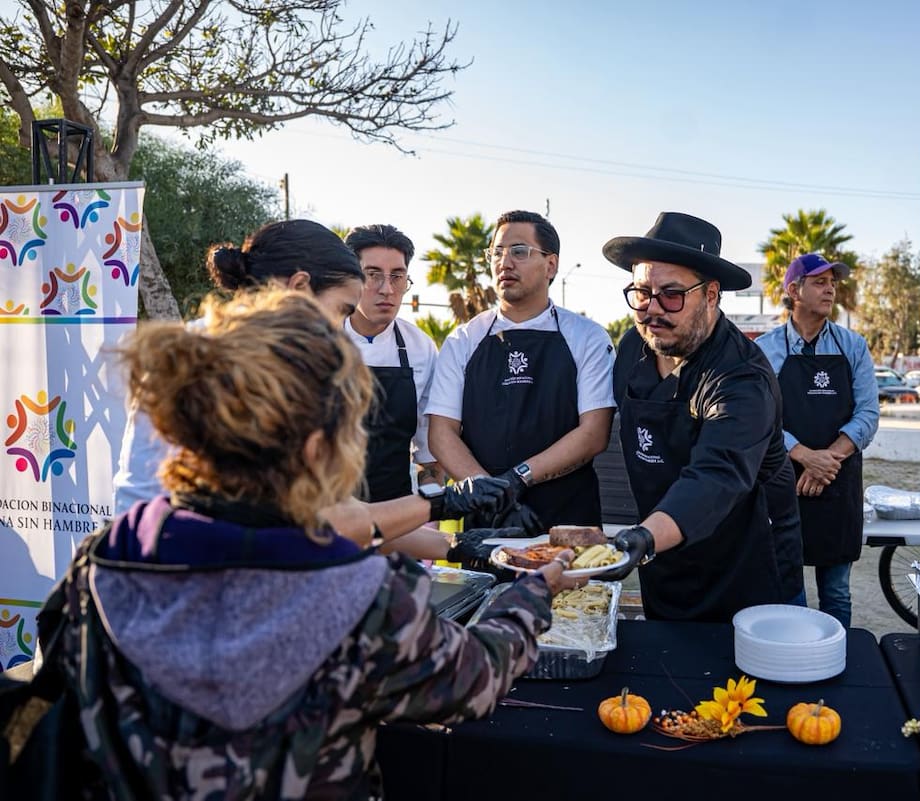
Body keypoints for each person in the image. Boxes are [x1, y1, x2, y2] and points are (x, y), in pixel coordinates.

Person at [42, 288, 579, 797]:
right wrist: (531, 594)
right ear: (317, 447)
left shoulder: (105, 556)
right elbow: (474, 678)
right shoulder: (358, 596)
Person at [594, 211, 805, 622]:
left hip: (747, 573)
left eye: (671, 295)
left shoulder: (742, 376)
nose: (652, 309)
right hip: (663, 561)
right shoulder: (632, 348)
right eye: (641, 293)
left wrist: (643, 537)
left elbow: (716, 476)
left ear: (710, 295)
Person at [113, 219, 366, 514]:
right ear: (299, 287)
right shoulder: (221, 360)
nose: (339, 330)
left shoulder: (188, 347)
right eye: (340, 311)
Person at [427, 210, 615, 531]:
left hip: (569, 520)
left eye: (519, 251)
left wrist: (519, 477)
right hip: (487, 522)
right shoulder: (463, 340)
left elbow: (594, 433)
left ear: (551, 265)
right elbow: (441, 433)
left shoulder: (587, 337)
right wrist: (491, 495)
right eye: (496, 252)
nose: (504, 263)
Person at [755, 253, 879, 628]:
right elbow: (758, 418)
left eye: (833, 283)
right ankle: (796, 652)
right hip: (783, 482)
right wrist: (803, 455)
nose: (830, 290)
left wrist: (826, 460)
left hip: (836, 483)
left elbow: (868, 414)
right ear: (794, 290)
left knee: (837, 591)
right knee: (788, 585)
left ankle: (837, 653)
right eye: (820, 282)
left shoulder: (853, 346)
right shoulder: (765, 350)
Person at [343, 224, 441, 501]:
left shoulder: (421, 348)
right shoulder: (319, 340)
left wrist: (431, 507)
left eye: (397, 276)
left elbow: (428, 455)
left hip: (394, 509)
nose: (387, 289)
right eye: (373, 275)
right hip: (321, 510)